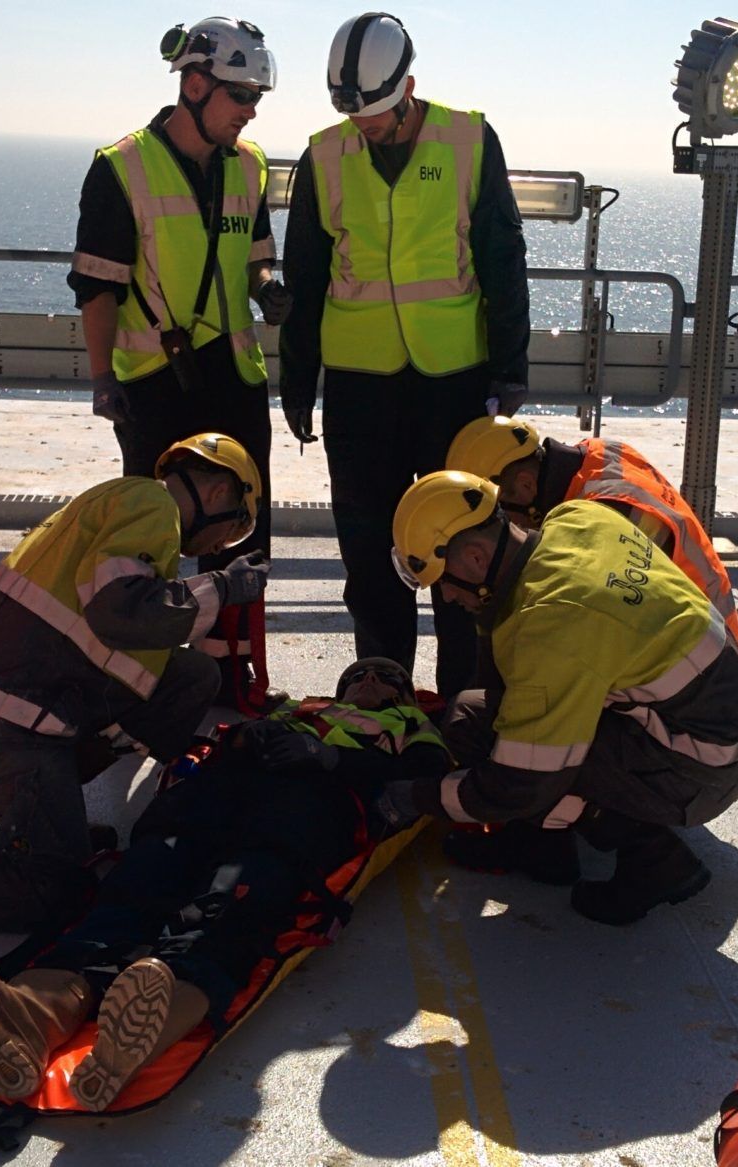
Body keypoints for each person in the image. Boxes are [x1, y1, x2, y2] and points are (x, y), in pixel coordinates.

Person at [0, 656, 449, 1111]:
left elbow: (423, 778)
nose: (371, 680)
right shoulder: (293, 711)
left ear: (403, 695)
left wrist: (331, 758)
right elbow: (220, 742)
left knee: (225, 910)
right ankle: (30, 1019)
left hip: (294, 820)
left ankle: (143, 1029)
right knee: (134, 889)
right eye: (360, 675)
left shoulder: (409, 727)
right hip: (207, 809)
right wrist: (250, 734)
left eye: (386, 677)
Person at [0, 433, 270, 942]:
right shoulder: (153, 506)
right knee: (54, 890)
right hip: (2, 731)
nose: (219, 548)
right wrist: (222, 587)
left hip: (3, 712)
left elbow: (123, 626)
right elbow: (119, 610)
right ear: (218, 494)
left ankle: (47, 812)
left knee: (192, 677)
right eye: (232, 530)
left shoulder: (122, 501)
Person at [380, 471, 738, 925]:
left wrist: (415, 798)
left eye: (444, 582)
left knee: (535, 763)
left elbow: (519, 780)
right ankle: (543, 847)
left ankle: (657, 862)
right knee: (472, 716)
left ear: (477, 558)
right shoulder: (577, 518)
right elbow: (504, 685)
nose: (445, 595)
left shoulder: (553, 625)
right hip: (715, 719)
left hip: (703, 766)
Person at [279, 11, 530, 700]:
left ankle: (462, 701)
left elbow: (504, 257)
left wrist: (510, 369)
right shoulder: (325, 155)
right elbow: (304, 275)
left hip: (455, 384)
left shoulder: (470, 140)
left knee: (462, 546)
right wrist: (296, 381)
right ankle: (385, 694)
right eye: (356, 116)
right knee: (370, 553)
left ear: (408, 87)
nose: (367, 129)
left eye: (379, 118)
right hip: (360, 391)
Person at [69, 16, 286, 714]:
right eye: (240, 95)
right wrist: (102, 378)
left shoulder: (249, 165)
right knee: (152, 542)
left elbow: (254, 260)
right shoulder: (121, 167)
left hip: (234, 374)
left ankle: (233, 679)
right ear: (194, 84)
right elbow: (98, 287)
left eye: (256, 98)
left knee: (242, 532)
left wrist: (269, 291)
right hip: (154, 384)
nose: (250, 111)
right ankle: (148, 682)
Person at [444, 415, 738, 648]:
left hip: (700, 658)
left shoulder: (603, 520)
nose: (499, 526)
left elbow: (597, 630)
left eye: (497, 513)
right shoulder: (601, 452)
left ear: (525, 485)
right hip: (708, 634)